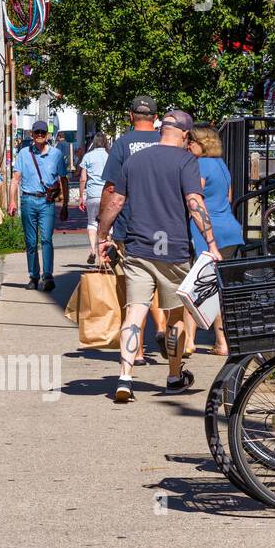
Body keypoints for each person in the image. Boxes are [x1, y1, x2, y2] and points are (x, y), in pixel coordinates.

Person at [98, 109, 222, 403]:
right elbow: (194, 203)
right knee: (176, 317)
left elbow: (115, 201)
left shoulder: (135, 160)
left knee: (134, 314)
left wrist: (103, 236)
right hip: (174, 251)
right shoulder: (186, 161)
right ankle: (174, 375)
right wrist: (211, 243)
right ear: (184, 134)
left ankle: (125, 378)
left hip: (139, 249)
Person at [100, 95, 166, 360]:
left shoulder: (123, 144)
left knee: (133, 287)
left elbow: (112, 188)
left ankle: (136, 350)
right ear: (155, 117)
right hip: (163, 224)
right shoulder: (166, 142)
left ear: (130, 116)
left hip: (130, 225)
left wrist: (103, 224)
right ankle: (161, 327)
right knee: (160, 281)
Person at [187, 124, 243, 356]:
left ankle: (190, 340)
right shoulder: (222, 166)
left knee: (194, 287)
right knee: (219, 288)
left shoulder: (199, 165)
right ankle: (222, 341)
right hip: (230, 230)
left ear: (202, 143)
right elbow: (228, 197)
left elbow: (194, 199)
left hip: (208, 232)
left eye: (191, 141)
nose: (188, 145)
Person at [7, 120, 68, 291]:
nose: (40, 135)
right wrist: (12, 201)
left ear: (47, 135)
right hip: (28, 200)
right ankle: (33, 276)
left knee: (46, 239)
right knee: (31, 241)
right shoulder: (23, 154)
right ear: (32, 135)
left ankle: (47, 275)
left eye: (43, 132)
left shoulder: (56, 154)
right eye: (37, 133)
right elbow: (15, 179)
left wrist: (65, 204)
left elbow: (63, 180)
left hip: (47, 202)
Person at [78, 132, 111, 266]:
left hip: (92, 194)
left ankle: (92, 250)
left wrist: (81, 196)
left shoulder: (88, 156)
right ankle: (104, 254)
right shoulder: (110, 156)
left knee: (92, 223)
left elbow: (83, 178)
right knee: (107, 224)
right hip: (107, 194)